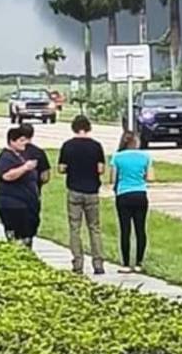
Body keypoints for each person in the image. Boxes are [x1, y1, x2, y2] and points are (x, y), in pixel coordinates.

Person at [57, 115, 106, 275]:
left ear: (73, 128)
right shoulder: (96, 146)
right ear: (89, 128)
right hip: (92, 191)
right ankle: (98, 263)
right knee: (94, 228)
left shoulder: (67, 146)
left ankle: (78, 262)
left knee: (75, 228)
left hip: (74, 190)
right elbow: (101, 169)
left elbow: (61, 168)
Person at [110, 131, 154, 274]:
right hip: (140, 193)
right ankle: (139, 262)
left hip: (123, 194)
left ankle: (126, 263)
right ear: (136, 142)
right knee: (140, 229)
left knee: (125, 229)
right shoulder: (145, 157)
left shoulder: (117, 157)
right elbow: (150, 177)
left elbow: (112, 178)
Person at [0, 126, 40, 247]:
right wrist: (25, 168)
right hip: (13, 204)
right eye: (21, 140)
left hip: (27, 203)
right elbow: (7, 176)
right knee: (18, 236)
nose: (25, 143)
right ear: (12, 141)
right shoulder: (5, 158)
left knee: (28, 234)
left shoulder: (21, 156)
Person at [19, 122, 51, 236]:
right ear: (32, 135)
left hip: (15, 194)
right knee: (31, 224)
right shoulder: (39, 153)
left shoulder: (15, 152)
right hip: (33, 193)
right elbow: (45, 176)